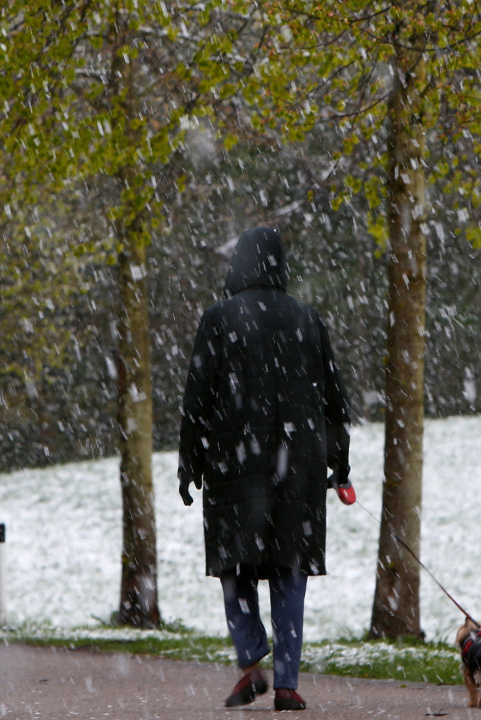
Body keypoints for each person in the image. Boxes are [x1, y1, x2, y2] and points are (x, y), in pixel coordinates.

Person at [178, 226, 355, 711]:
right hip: (298, 467)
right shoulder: (307, 318)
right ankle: (287, 683)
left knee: (235, 566)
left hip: (235, 465)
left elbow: (197, 398)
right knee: (288, 569)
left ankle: (251, 659)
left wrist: (188, 462)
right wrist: (340, 462)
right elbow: (335, 401)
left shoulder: (218, 319)